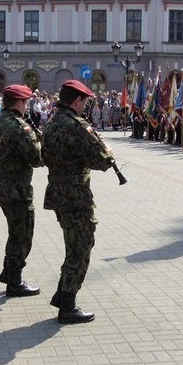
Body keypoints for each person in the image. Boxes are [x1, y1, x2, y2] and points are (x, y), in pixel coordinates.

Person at [42, 80, 114, 324]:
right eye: (84, 101)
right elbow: (101, 161)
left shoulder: (51, 122)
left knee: (73, 244)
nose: (85, 106)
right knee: (80, 247)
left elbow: (44, 156)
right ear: (77, 101)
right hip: (76, 194)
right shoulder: (77, 126)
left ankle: (63, 295)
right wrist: (108, 152)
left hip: (57, 192)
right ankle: (68, 305)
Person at [0, 84, 43, 297]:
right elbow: (37, 159)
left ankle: (9, 272)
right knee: (22, 234)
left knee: (15, 232)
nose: (27, 106)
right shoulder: (20, 127)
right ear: (19, 103)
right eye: (26, 102)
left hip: (0, 186)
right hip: (17, 189)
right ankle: (15, 281)